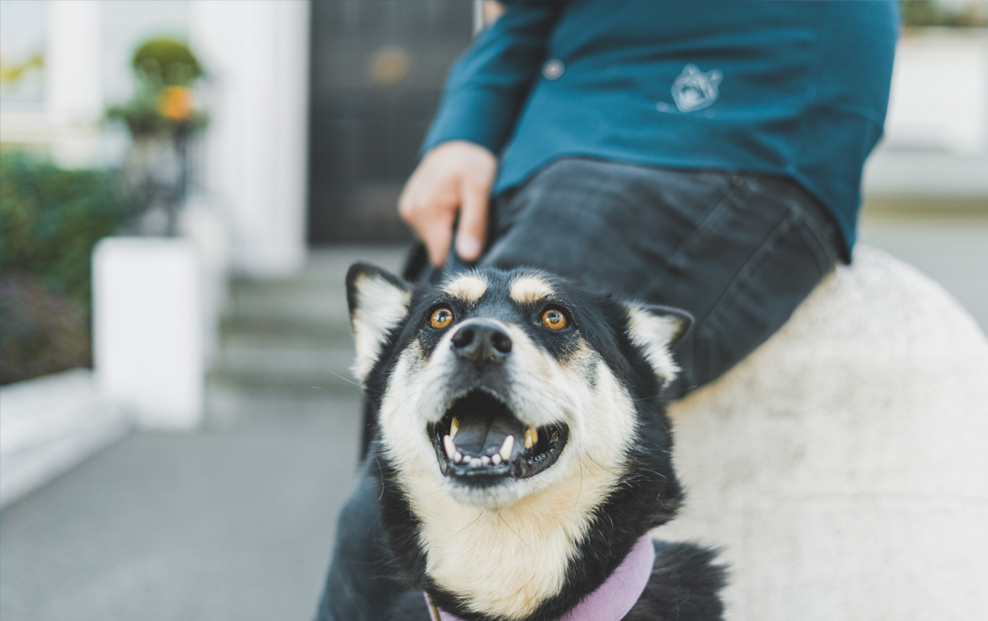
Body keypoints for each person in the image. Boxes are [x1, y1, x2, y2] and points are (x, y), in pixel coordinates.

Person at [317, 2, 898, 618]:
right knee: (407, 457)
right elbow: (523, 10)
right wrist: (465, 127)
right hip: (550, 136)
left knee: (389, 507)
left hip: (722, 114)